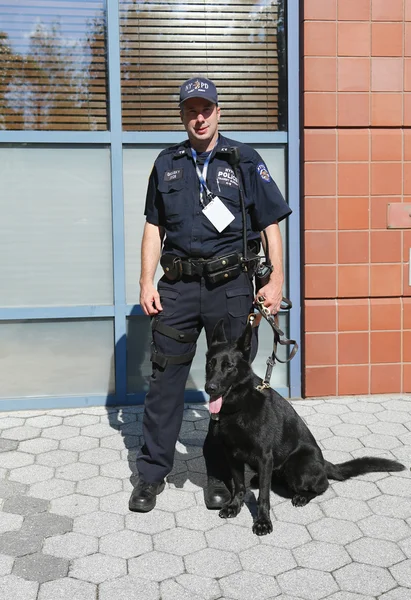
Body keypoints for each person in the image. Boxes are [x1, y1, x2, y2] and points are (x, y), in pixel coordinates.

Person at [129, 76, 291, 513]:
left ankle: (221, 476)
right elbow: (153, 227)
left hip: (231, 289)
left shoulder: (243, 160)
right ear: (182, 114)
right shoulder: (167, 163)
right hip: (178, 288)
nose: (198, 117)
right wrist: (146, 281)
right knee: (164, 383)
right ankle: (150, 475)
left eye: (206, 109)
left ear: (218, 112)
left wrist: (275, 281)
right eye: (190, 110)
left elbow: (271, 222)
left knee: (229, 390)